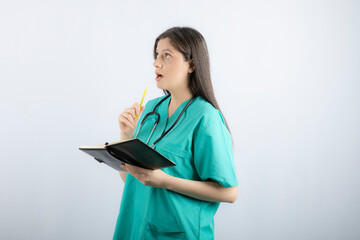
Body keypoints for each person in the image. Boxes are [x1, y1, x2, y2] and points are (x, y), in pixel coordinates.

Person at [113, 26, 238, 240]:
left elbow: (229, 193)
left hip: (179, 233)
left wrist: (166, 181)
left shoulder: (205, 118)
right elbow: (134, 180)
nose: (156, 63)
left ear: (192, 64)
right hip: (136, 228)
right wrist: (127, 136)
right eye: (156, 55)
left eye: (166, 55)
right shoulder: (151, 109)